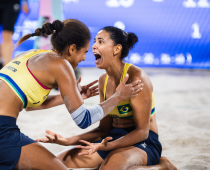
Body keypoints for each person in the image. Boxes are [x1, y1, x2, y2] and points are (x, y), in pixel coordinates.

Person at [0, 20, 144, 170]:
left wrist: (73, 96)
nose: (83, 59)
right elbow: (83, 120)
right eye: (84, 52)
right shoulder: (61, 65)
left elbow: (31, 105)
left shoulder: (32, 54)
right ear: (72, 49)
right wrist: (117, 97)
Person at [36, 26, 177, 170]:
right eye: (95, 41)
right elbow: (103, 130)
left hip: (143, 142)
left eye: (100, 42)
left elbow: (142, 132)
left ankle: (164, 166)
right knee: (54, 163)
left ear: (116, 49)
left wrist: (109, 145)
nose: (94, 46)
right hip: (111, 139)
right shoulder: (103, 80)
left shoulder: (136, 78)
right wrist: (67, 140)